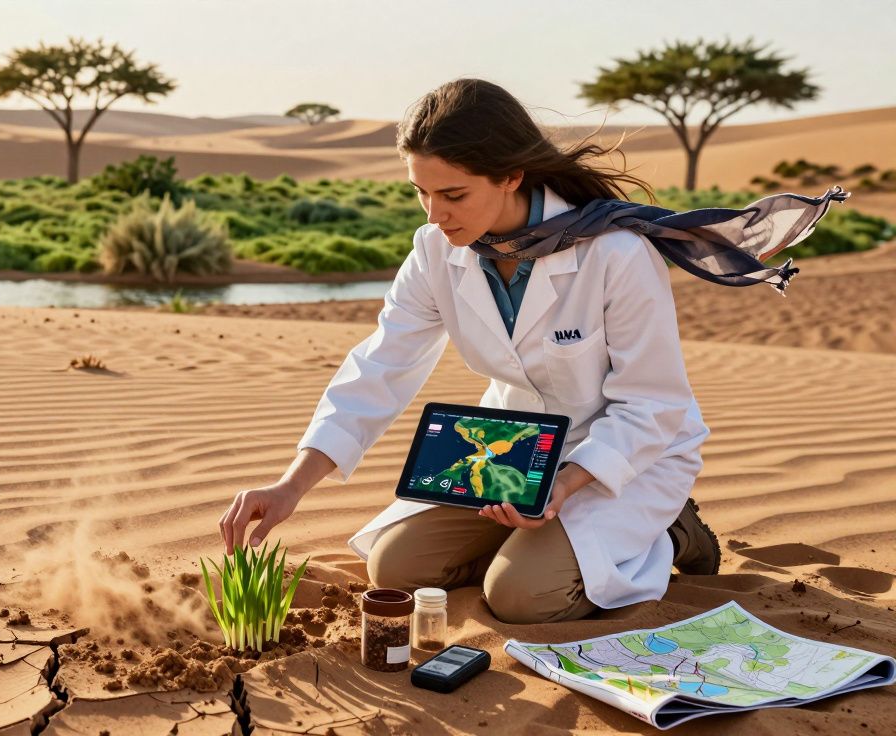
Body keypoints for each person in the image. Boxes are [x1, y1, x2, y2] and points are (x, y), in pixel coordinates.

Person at [217, 78, 849, 625]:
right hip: (513, 451)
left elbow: (653, 404)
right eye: (421, 193)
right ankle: (534, 545)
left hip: (626, 453)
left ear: (511, 176)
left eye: (453, 195)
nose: (434, 215)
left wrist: (568, 484)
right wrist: (291, 485)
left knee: (524, 597)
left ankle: (674, 527)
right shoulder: (435, 251)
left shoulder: (616, 254)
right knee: (398, 568)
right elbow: (381, 366)